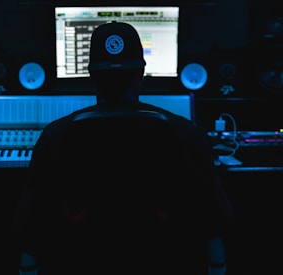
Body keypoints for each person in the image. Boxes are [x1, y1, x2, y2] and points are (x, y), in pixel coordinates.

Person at [14, 21, 234, 275]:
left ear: (91, 76)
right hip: (162, 262)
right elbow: (224, 218)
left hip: (81, 262)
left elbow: (22, 224)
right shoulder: (184, 132)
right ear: (141, 73)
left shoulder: (56, 135)